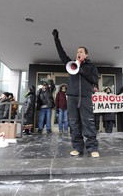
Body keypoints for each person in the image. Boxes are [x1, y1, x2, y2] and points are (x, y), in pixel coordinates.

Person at [52, 29, 99, 158]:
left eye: (81, 51)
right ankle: (77, 147)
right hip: (72, 98)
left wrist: (81, 69)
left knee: (88, 122)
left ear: (86, 55)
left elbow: (94, 79)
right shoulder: (71, 64)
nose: (78, 53)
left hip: (85, 97)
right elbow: (62, 54)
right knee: (73, 122)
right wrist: (56, 39)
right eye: (77, 51)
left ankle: (92, 147)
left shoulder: (91, 67)